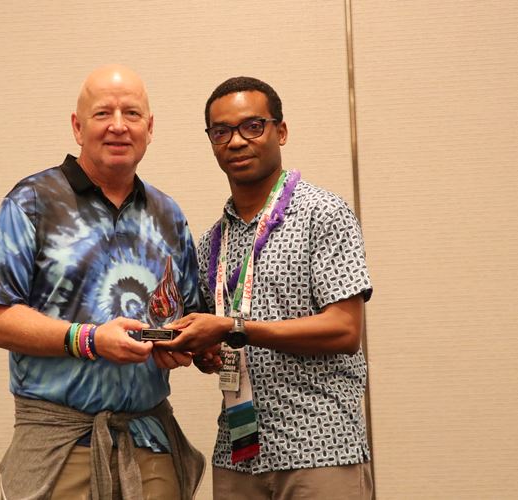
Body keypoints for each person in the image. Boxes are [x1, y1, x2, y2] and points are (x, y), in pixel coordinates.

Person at [0, 64, 204, 500]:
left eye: (132, 113)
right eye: (103, 113)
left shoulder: (167, 214)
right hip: (62, 446)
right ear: (78, 127)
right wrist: (90, 340)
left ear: (150, 127)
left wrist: (182, 346)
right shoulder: (32, 202)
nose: (118, 125)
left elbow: (189, 318)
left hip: (150, 444)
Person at [159, 76, 374, 499]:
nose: (237, 141)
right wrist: (202, 350)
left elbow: (345, 331)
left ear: (281, 131)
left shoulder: (324, 214)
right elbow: (215, 339)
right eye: (222, 132)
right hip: (238, 455)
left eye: (252, 126)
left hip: (320, 448)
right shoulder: (211, 243)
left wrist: (234, 328)